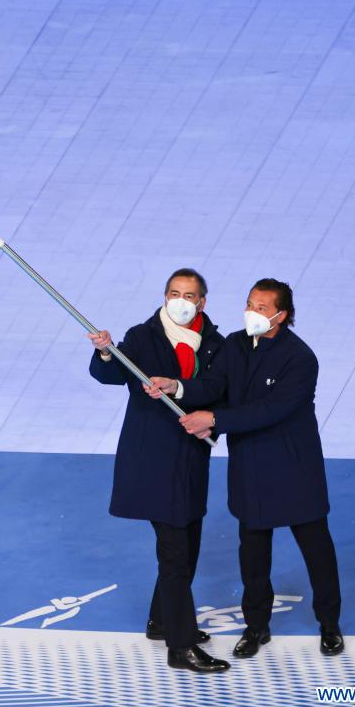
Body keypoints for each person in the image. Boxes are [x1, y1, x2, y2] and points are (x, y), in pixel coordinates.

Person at [147, 278, 344, 657]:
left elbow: (272, 410)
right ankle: (256, 627)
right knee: (253, 556)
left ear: (282, 316)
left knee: (316, 549)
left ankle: (329, 624)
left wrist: (215, 420)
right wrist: (179, 388)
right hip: (250, 467)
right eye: (251, 303)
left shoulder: (301, 359)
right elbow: (214, 384)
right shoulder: (235, 345)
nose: (253, 312)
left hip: (294, 470)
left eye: (263, 308)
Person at [88, 268, 229, 673]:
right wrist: (105, 351)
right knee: (175, 552)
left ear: (202, 301)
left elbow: (218, 388)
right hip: (152, 461)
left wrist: (179, 388)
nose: (180, 301)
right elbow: (110, 374)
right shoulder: (142, 336)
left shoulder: (216, 344)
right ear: (165, 296)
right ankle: (180, 646)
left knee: (190, 542)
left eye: (189, 295)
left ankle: (162, 620)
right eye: (173, 293)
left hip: (190, 459)